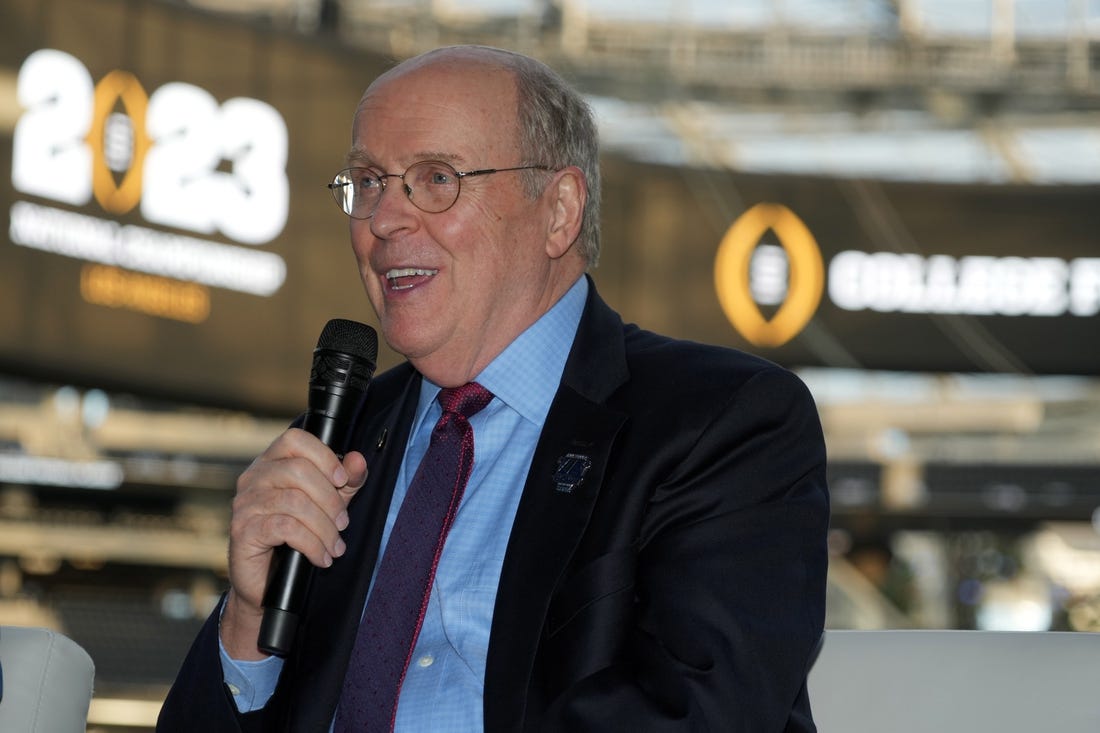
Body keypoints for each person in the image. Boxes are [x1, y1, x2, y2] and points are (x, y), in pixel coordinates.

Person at [159, 45, 829, 732]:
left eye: (436, 178)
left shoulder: (722, 423)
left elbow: (694, 713)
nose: (383, 220)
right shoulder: (335, 441)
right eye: (368, 182)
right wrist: (248, 620)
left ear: (560, 210)